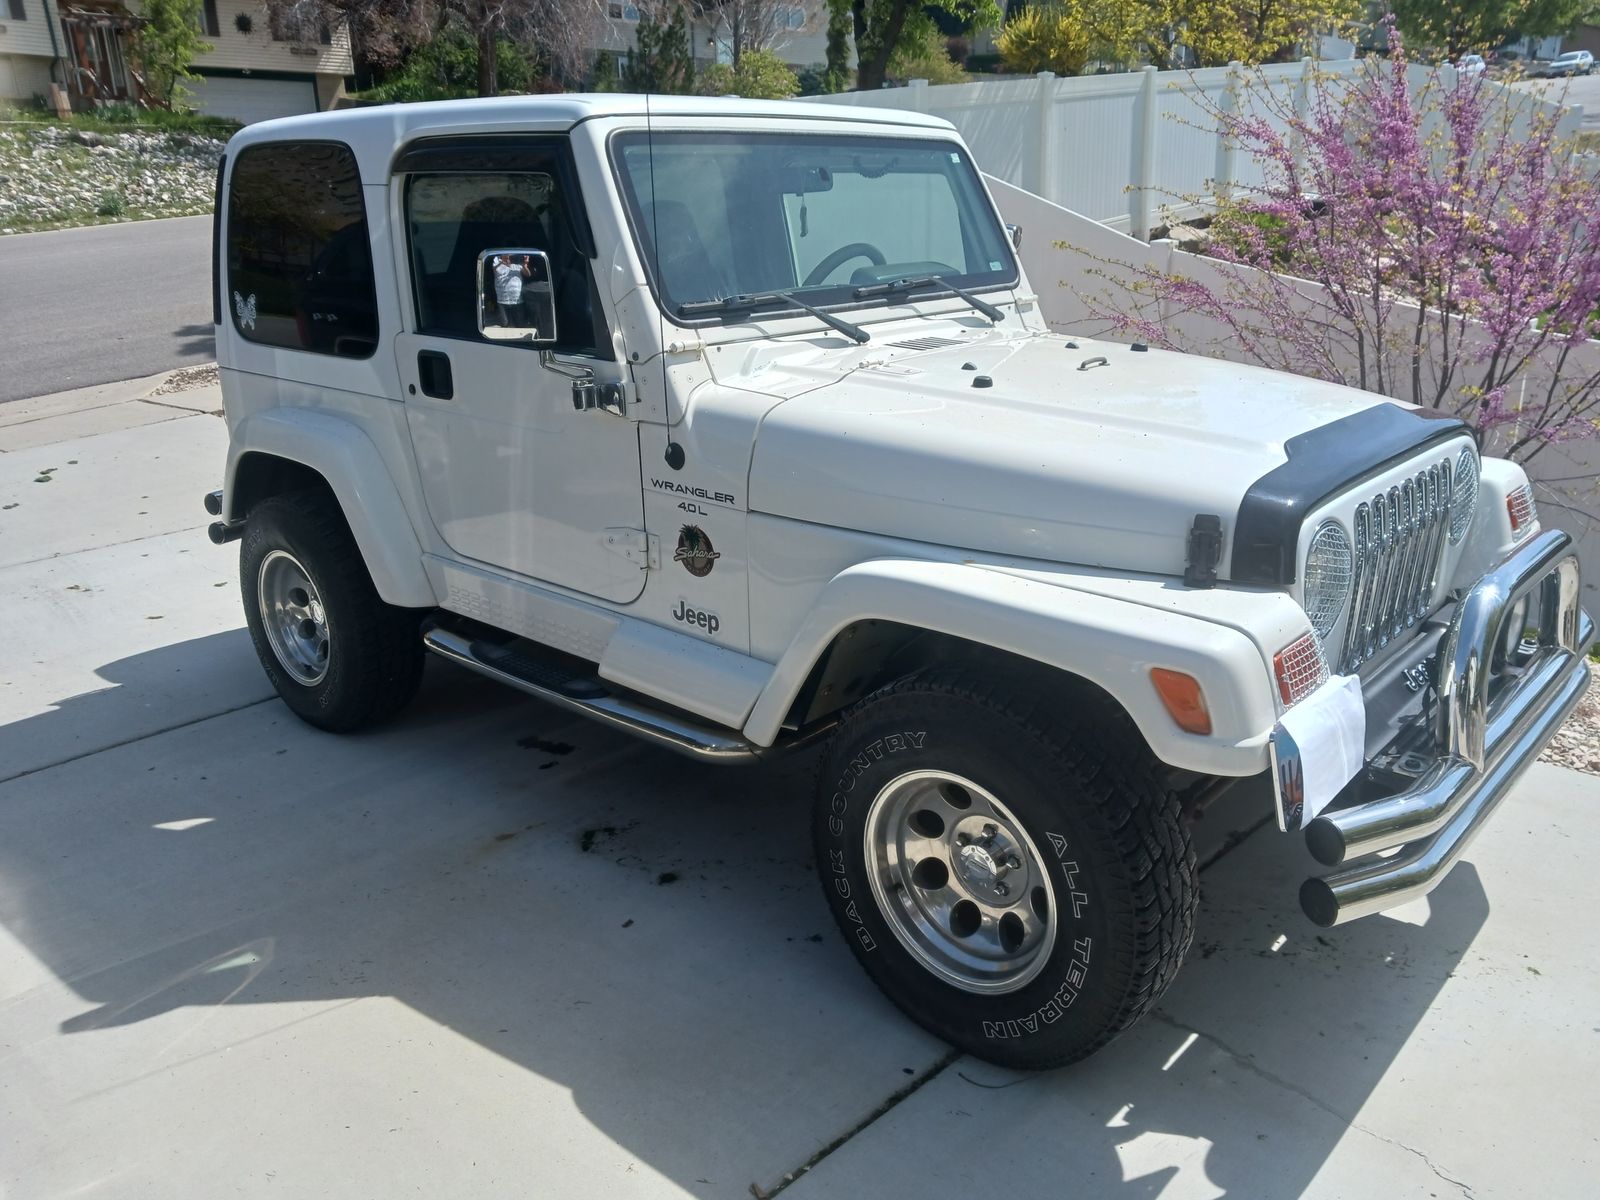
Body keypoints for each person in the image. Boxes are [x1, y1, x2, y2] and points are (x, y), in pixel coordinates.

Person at [492, 254, 532, 328]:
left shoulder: (517, 263)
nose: (508, 257)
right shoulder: (497, 261)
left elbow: (528, 274)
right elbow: (494, 269)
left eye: (510, 256)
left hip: (517, 300)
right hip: (502, 300)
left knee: (520, 323)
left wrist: (524, 265)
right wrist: (501, 262)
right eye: (506, 255)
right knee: (504, 323)